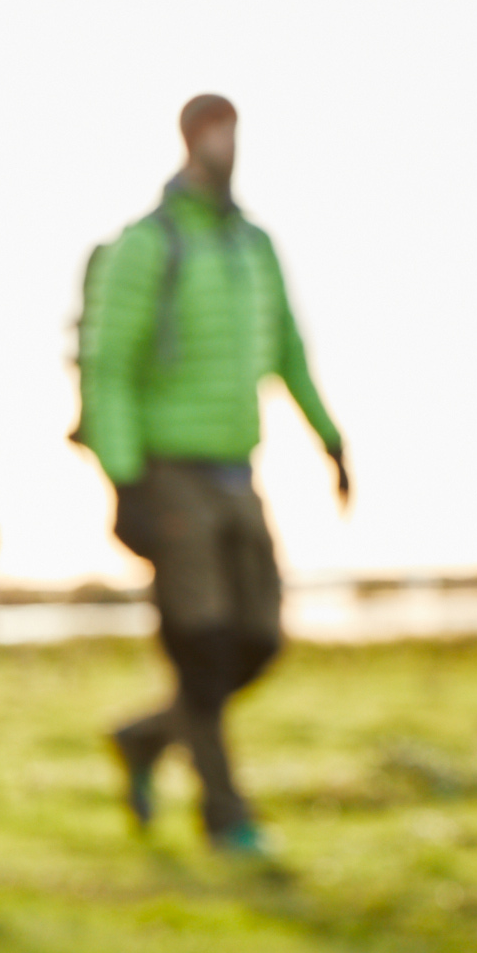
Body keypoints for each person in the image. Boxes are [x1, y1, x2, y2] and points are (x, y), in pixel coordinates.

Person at [76, 93, 348, 857]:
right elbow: (108, 367)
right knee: (198, 644)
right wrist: (124, 482)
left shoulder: (253, 247)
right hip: (169, 471)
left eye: (232, 128)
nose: (224, 143)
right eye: (211, 129)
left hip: (238, 470)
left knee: (259, 638)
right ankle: (224, 812)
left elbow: (289, 348)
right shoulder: (148, 245)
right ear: (189, 140)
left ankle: (144, 736)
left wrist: (330, 440)